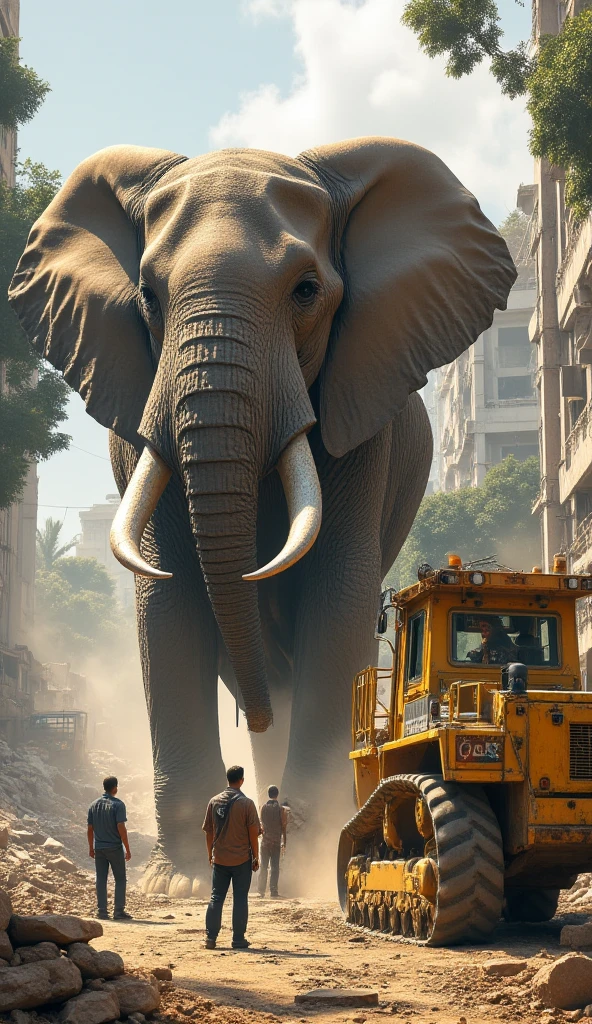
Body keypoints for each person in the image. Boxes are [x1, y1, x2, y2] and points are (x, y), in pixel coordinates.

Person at [202, 765, 260, 950]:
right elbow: (253, 833)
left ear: (228, 779)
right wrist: (256, 856)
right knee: (240, 898)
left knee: (216, 897)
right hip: (241, 859)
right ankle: (238, 939)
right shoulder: (247, 804)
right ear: (241, 780)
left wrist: (210, 853)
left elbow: (208, 831)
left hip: (220, 858)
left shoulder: (214, 801)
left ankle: (211, 938)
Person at [87, 776, 132, 921]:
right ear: (115, 788)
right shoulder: (118, 805)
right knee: (120, 879)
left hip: (99, 848)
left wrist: (91, 848)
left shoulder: (93, 805)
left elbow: (89, 829)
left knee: (101, 879)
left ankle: (102, 912)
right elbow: (121, 827)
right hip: (114, 848)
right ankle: (118, 912)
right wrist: (127, 848)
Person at [258, 785, 288, 899]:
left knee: (264, 866)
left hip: (265, 842)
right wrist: (284, 842)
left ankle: (261, 891)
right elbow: (284, 827)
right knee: (275, 867)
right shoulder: (281, 810)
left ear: (268, 794)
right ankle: (273, 891)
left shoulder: (262, 808)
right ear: (277, 794)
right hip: (275, 842)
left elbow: (261, 825)